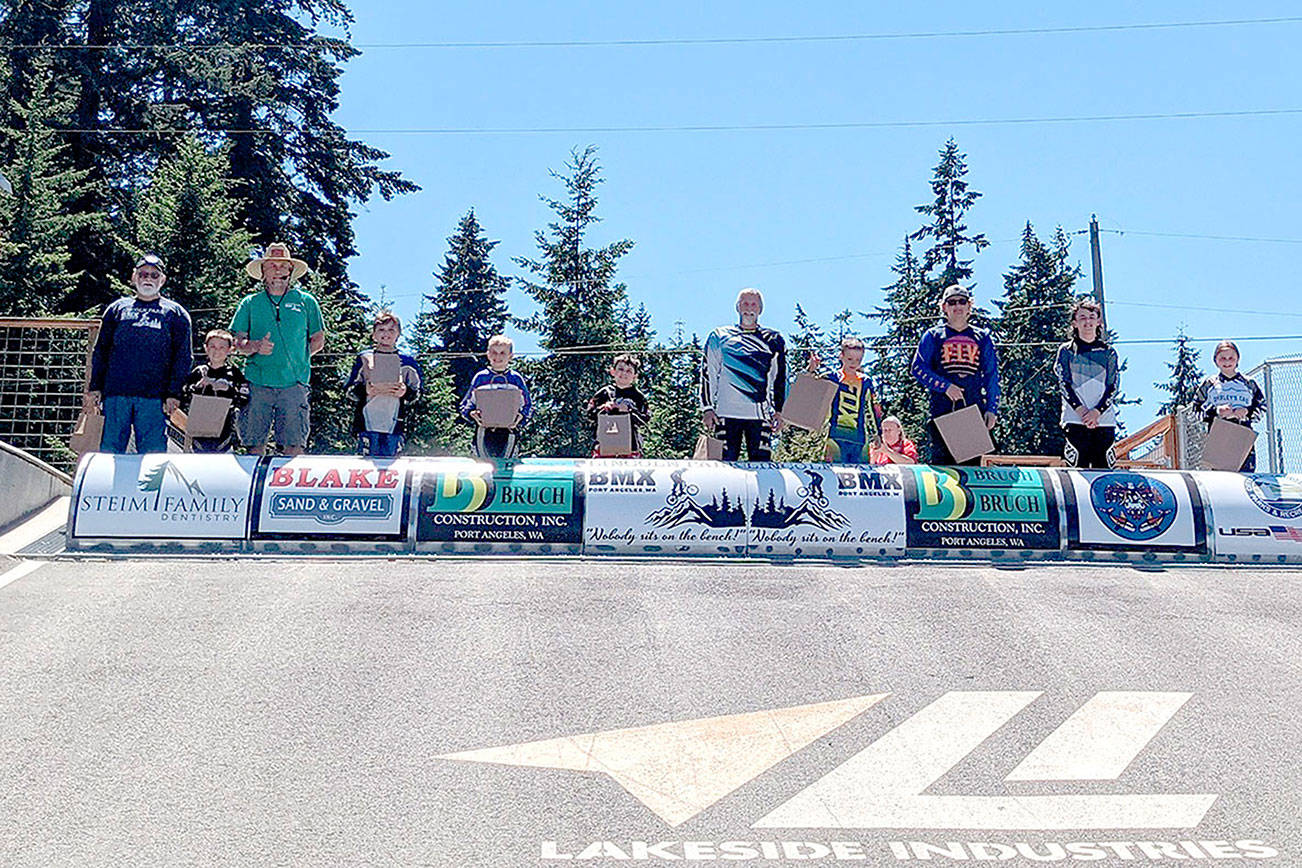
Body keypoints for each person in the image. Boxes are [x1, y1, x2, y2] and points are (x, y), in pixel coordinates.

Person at [84, 254, 193, 454]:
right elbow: (101, 350)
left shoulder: (176, 314)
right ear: (134, 277)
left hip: (155, 397)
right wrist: (95, 387)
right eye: (143, 274)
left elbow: (183, 357)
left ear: (162, 280)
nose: (148, 279)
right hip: (116, 394)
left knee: (153, 456)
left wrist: (174, 393)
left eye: (154, 275)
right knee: (110, 452)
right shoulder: (116, 309)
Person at [229, 242, 325, 456]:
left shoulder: (307, 301)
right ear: (263, 272)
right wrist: (255, 346)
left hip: (294, 385)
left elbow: (318, 339)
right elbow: (237, 342)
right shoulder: (249, 303)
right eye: (272, 265)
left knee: (294, 447)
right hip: (256, 383)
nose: (278, 270)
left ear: (291, 271)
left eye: (283, 266)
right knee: (253, 446)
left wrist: (299, 358)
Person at [911, 283, 999, 465]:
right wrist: (945, 387)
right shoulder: (933, 335)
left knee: (976, 469)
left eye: (962, 301)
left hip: (974, 411)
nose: (957, 306)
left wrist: (992, 409)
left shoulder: (982, 337)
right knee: (943, 470)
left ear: (969, 306)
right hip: (942, 411)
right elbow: (917, 368)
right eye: (951, 302)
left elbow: (991, 375)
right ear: (944, 307)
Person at [700, 288, 788, 461]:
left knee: (762, 468)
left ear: (760, 309)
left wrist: (780, 411)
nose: (749, 308)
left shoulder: (774, 339)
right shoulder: (719, 336)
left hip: (760, 416)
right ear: (738, 307)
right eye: (745, 303)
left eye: (753, 304)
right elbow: (708, 372)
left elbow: (780, 377)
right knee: (723, 467)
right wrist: (707, 408)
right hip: (725, 414)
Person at [344, 311, 422, 458]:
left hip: (395, 425)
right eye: (381, 330)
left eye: (391, 330)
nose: (386, 334)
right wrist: (366, 390)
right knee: (366, 465)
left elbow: (418, 393)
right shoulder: (364, 358)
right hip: (367, 425)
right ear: (374, 334)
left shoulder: (408, 362)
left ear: (398, 333)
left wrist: (404, 392)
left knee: (392, 465)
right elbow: (349, 390)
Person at [1055, 298, 1121, 469]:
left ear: (1099, 322)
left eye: (1092, 317)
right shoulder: (1066, 351)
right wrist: (1081, 410)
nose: (1088, 322)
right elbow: (1064, 383)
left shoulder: (1108, 352)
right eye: (1082, 317)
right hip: (1074, 420)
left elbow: (1113, 386)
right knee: (1077, 473)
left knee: (1104, 474)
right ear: (1074, 323)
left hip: (1103, 421)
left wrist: (1096, 412)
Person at [803, 337, 884, 464]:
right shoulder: (832, 377)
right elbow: (807, 391)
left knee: (861, 473)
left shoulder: (865, 381)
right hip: (836, 436)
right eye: (850, 359)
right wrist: (811, 369)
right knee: (835, 471)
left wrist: (877, 433)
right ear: (841, 356)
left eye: (858, 360)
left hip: (859, 439)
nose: (854, 363)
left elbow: (872, 409)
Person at [1194, 339, 1265, 472]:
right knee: (1220, 477)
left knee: (1245, 475)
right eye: (1223, 358)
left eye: (1231, 358)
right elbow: (1196, 409)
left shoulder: (1249, 383)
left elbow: (1262, 406)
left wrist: (1247, 412)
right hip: (1218, 435)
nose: (1227, 362)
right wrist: (1216, 411)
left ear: (1237, 359)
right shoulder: (1210, 383)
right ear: (1216, 360)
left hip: (1243, 434)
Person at [460, 334, 532, 459]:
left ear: (510, 356)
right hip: (484, 432)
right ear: (488, 354)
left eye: (502, 353)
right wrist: (472, 414)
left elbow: (528, 405)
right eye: (494, 352)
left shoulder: (516, 379)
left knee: (506, 465)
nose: (497, 357)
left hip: (509, 432)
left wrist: (520, 418)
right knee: (483, 465)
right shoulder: (481, 378)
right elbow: (465, 405)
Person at [181, 329, 251, 453]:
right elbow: (183, 396)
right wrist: (198, 387)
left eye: (221, 347)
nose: (216, 351)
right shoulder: (199, 371)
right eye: (212, 346)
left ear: (230, 350)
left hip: (224, 431)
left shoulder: (234, 373)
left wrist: (227, 389)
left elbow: (244, 398)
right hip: (199, 431)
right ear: (206, 348)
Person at [586, 354, 650, 458]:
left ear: (635, 376)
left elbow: (645, 419)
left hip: (630, 447)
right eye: (620, 369)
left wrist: (629, 410)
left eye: (629, 371)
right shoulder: (604, 392)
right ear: (612, 371)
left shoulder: (639, 397)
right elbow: (589, 414)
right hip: (603, 445)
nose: (624, 373)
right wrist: (603, 408)